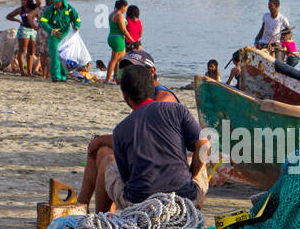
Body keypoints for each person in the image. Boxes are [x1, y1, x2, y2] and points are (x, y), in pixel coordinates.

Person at [79, 64, 210, 213]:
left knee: (107, 161)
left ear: (125, 97)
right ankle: (195, 211)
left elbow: (126, 178)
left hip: (140, 205)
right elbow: (204, 145)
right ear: (152, 89)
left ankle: (101, 219)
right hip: (185, 199)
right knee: (198, 155)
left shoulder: (121, 130)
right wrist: (191, 175)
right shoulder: (178, 110)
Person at [41, 0, 80, 82]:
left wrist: (77, 25)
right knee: (54, 55)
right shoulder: (50, 9)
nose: (55, 3)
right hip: (54, 34)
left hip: (65, 35)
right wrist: (50, 30)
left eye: (57, 2)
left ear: (62, 1)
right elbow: (43, 21)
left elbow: (77, 19)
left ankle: (63, 76)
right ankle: (55, 76)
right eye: (54, 1)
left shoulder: (70, 10)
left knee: (64, 56)